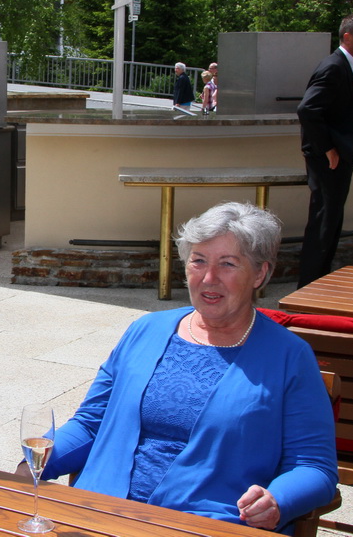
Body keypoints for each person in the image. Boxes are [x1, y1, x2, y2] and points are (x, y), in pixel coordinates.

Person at [26, 202, 337, 534]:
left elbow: (314, 466)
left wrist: (277, 501)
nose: (209, 278)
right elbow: (90, 424)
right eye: (198, 261)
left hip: (205, 523)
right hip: (100, 512)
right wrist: (33, 463)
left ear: (260, 274)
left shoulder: (288, 357)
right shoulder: (145, 330)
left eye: (228, 264)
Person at [296, 11, 353, 287]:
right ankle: (309, 287)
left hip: (340, 160)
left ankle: (317, 284)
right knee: (323, 225)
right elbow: (308, 109)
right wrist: (328, 148)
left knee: (330, 224)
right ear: (347, 37)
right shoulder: (334, 67)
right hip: (328, 162)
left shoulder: (347, 68)